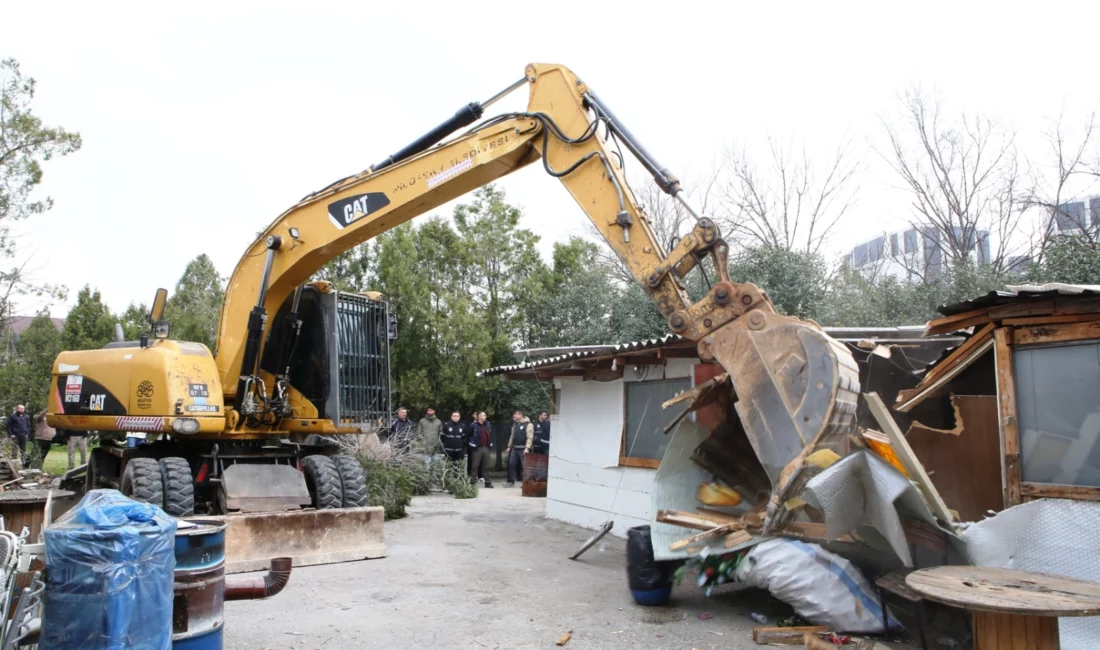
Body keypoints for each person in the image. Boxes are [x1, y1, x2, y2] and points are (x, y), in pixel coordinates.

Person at [505, 410, 534, 487]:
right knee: (511, 464)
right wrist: (509, 447)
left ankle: (526, 482)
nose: (514, 415)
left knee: (524, 466)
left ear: (521, 415)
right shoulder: (516, 424)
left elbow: (530, 438)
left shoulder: (528, 424)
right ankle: (511, 481)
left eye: (516, 414)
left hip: (523, 449)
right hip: (515, 448)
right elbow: (512, 436)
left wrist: (527, 448)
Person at [468, 411, 494, 488]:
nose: (485, 416)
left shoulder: (488, 425)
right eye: (484, 415)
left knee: (486, 466)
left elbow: (490, 434)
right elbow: (469, 435)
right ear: (479, 417)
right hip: (477, 448)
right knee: (475, 465)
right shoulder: (473, 425)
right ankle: (473, 482)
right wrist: (472, 444)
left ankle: (488, 482)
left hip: (486, 448)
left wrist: (490, 444)